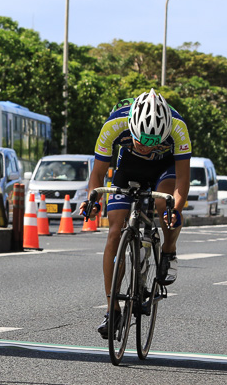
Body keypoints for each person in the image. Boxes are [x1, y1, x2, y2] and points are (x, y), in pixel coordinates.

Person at [79, 88, 191, 338]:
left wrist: (176, 210)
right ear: (131, 126)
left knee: (165, 206)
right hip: (128, 169)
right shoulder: (114, 123)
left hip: (164, 169)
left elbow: (182, 181)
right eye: (141, 141)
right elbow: (97, 175)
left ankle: (169, 252)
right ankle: (112, 310)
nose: (145, 147)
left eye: (154, 142)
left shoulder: (179, 128)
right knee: (114, 231)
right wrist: (93, 201)